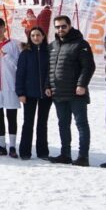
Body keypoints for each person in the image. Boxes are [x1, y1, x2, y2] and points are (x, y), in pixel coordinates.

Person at [46, 16, 96, 166]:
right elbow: (49, 68)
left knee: (81, 124)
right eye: (57, 27)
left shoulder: (81, 44)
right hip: (58, 93)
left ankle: (83, 157)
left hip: (76, 93)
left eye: (63, 26)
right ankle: (65, 154)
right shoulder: (52, 45)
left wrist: (82, 85)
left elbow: (89, 66)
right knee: (63, 124)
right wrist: (47, 86)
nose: (60, 29)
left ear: (69, 26)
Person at [0, 17, 21, 157]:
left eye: (1, 27)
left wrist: (7, 57)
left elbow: (19, 65)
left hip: (10, 86)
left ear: (5, 28)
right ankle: (1, 146)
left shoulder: (13, 44)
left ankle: (12, 146)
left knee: (12, 116)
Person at [15, 27, 51, 160]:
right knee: (28, 122)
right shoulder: (25, 53)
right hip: (29, 94)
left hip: (46, 94)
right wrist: (20, 93)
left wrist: (49, 87)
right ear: (30, 37)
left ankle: (42, 152)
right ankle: (25, 152)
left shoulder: (48, 52)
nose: (36, 38)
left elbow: (51, 72)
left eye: (38, 35)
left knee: (43, 123)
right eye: (33, 35)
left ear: (43, 36)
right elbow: (20, 74)